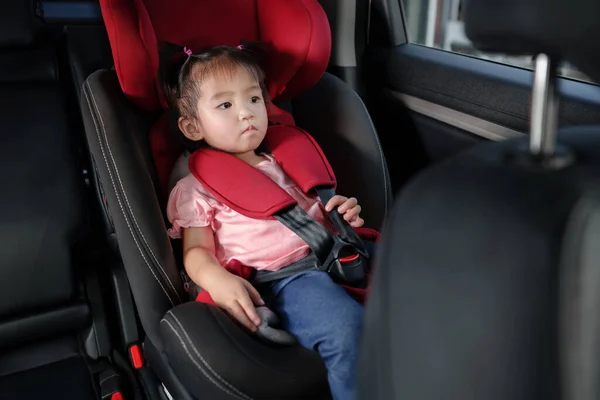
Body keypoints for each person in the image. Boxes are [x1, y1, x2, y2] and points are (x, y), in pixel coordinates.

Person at [163, 42, 365, 400]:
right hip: (286, 279)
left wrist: (343, 213)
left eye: (254, 99)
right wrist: (218, 280)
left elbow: (315, 213)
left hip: (337, 252)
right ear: (192, 127)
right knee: (349, 332)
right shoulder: (195, 189)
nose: (246, 113)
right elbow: (195, 252)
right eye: (225, 104)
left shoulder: (284, 159)